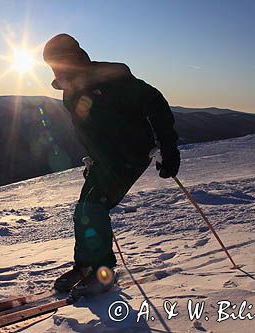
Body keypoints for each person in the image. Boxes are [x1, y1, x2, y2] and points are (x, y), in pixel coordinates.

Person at [43, 33, 180, 297]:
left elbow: (155, 102)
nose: (57, 68)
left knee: (93, 208)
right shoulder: (69, 89)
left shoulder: (111, 78)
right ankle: (85, 266)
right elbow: (89, 128)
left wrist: (168, 146)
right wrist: (92, 157)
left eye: (60, 61)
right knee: (83, 210)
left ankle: (103, 273)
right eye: (53, 64)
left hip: (130, 154)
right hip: (104, 160)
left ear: (74, 57)